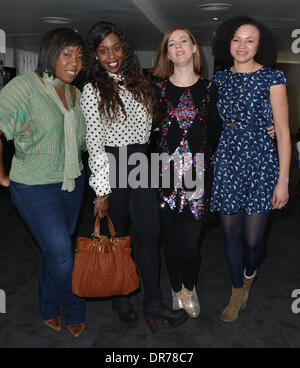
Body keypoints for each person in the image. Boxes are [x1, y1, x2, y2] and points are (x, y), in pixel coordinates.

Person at [80, 21, 187, 333]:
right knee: (118, 236)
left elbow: (149, 126)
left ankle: (153, 303)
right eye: (103, 51)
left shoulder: (137, 80)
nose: (111, 55)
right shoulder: (92, 89)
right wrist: (101, 190)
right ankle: (120, 295)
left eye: (115, 47)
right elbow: (95, 143)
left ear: (123, 48)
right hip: (112, 164)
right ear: (95, 56)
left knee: (150, 235)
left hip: (140, 160)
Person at [0, 28, 87, 337]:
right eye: (67, 54)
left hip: (72, 183)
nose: (75, 63)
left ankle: (48, 307)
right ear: (50, 54)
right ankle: (76, 309)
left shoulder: (74, 93)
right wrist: (1, 175)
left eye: (78, 56)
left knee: (56, 251)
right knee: (63, 253)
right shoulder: (21, 87)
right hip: (34, 187)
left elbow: (82, 142)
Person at [210, 16, 291, 322]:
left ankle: (249, 273)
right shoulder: (219, 80)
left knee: (254, 240)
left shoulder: (273, 78)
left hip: (261, 162)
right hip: (228, 162)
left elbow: (283, 131)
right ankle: (235, 292)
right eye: (236, 39)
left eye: (250, 40)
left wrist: (283, 181)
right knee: (229, 234)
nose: (242, 46)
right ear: (227, 43)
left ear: (260, 45)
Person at [151, 26, 223, 318]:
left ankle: (188, 288)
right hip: (162, 177)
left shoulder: (210, 89)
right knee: (168, 240)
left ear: (194, 48)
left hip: (197, 178)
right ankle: (174, 287)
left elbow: (218, 133)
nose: (178, 46)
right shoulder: (154, 89)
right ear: (166, 53)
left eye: (184, 41)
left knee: (190, 244)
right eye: (171, 44)